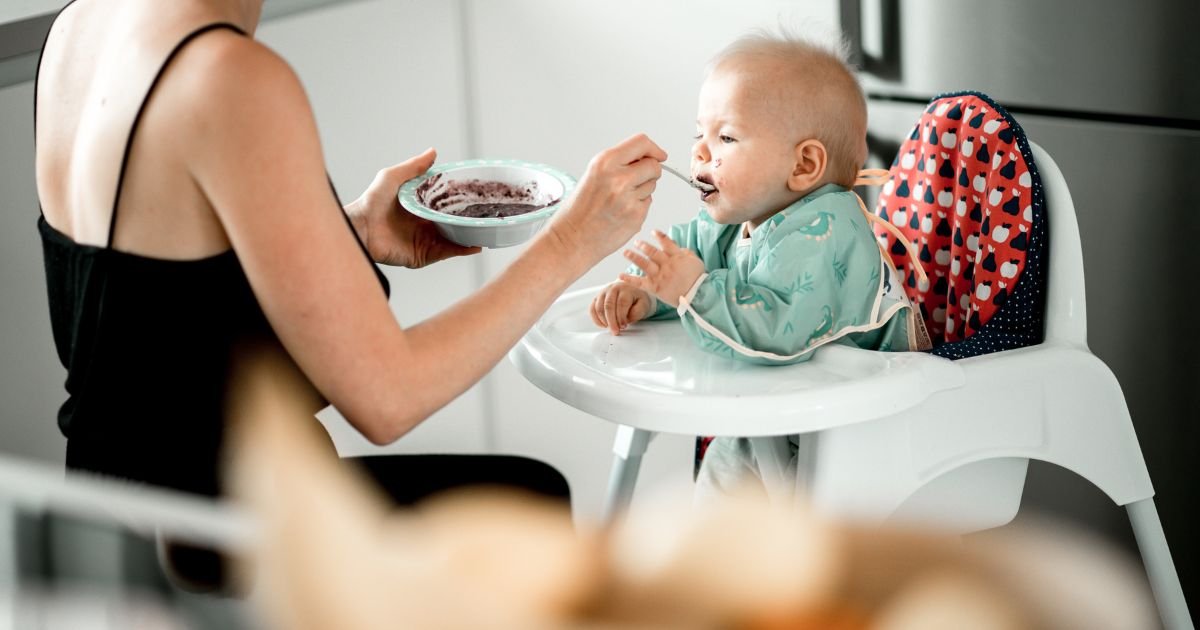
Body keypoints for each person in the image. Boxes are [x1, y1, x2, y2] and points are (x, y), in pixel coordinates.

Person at [33, 0, 664, 588]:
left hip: (104, 532)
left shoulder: (80, 27)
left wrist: (352, 234)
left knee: (524, 496)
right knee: (533, 515)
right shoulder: (231, 76)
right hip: (209, 555)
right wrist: (571, 241)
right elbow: (389, 398)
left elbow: (154, 327)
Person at [588, 28, 929, 498]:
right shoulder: (745, 214)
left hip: (860, 439)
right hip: (783, 416)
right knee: (713, 511)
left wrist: (691, 290)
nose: (701, 153)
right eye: (700, 135)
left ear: (804, 166)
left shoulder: (827, 232)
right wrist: (651, 292)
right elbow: (694, 258)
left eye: (726, 136)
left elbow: (777, 331)